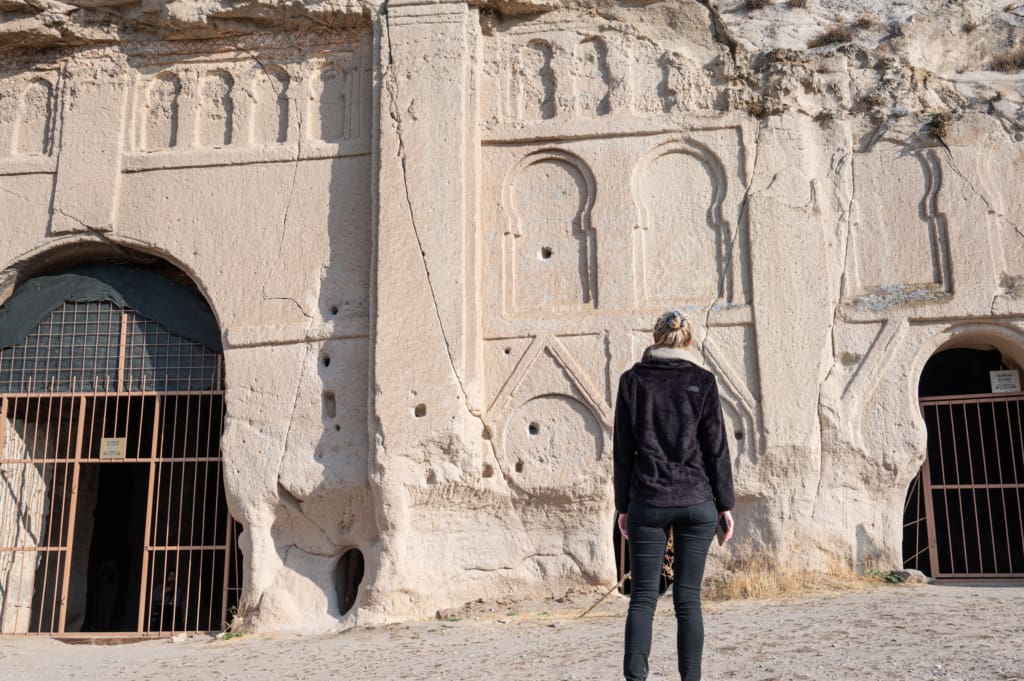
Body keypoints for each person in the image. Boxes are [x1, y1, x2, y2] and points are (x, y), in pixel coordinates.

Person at [613, 309, 735, 681]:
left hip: (647, 501)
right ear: (688, 340)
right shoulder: (703, 381)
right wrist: (724, 505)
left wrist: (623, 507)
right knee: (688, 601)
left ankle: (636, 678)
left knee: (643, 599)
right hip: (696, 500)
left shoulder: (632, 381)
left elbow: (623, 451)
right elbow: (716, 448)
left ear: (655, 337)